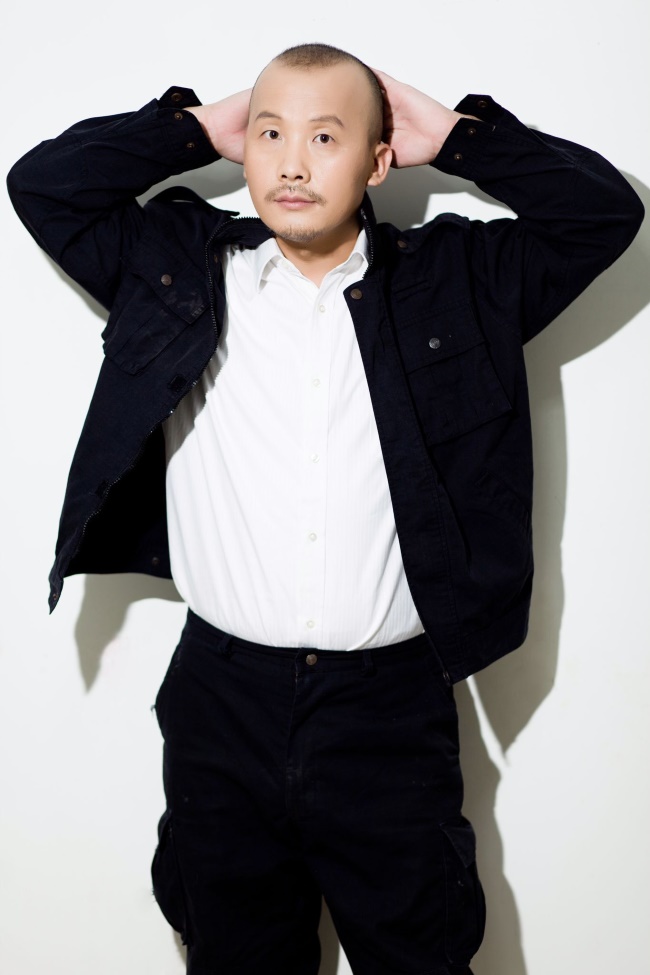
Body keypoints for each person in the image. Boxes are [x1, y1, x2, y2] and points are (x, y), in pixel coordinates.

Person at [7, 42, 643, 975]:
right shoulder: (177, 266)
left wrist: (457, 138)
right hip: (221, 702)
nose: (293, 163)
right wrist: (198, 128)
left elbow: (604, 213)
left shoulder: (458, 280)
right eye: (270, 135)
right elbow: (43, 185)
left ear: (380, 161)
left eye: (325, 137)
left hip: (389, 711)